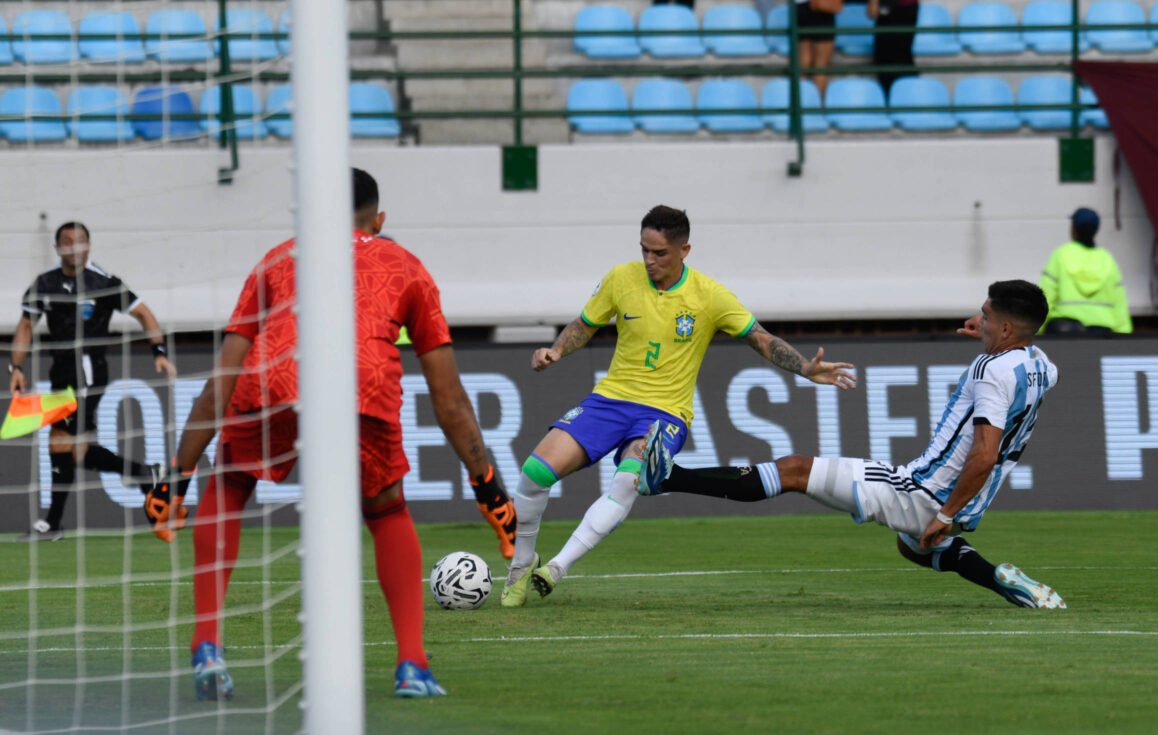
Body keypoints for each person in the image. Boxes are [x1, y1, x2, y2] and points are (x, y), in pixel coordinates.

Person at [143, 168, 517, 700]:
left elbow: (220, 382)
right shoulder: (407, 265)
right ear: (379, 219)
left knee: (228, 484)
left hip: (275, 375)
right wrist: (488, 488)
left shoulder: (275, 260)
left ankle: (207, 645)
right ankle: (412, 664)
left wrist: (176, 477)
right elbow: (449, 396)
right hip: (360, 381)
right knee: (386, 510)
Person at [500, 205, 856, 608]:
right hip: (610, 400)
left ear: (684, 250)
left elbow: (759, 338)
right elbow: (585, 324)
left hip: (664, 414)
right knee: (533, 474)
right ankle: (522, 565)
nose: (649, 261)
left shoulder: (709, 295)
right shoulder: (621, 278)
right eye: (644, 251)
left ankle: (558, 568)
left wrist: (805, 368)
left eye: (659, 253)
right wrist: (556, 350)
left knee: (627, 480)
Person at [638, 279, 1067, 610]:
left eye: (986, 315)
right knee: (912, 545)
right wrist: (988, 334)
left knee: (795, 470)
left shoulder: (991, 371)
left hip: (923, 490)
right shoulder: (1042, 366)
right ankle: (1002, 581)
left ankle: (667, 477)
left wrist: (945, 511)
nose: (980, 318)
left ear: (1007, 327)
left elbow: (985, 453)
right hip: (974, 503)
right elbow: (1012, 371)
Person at [9, 222, 176, 542]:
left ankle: (53, 524)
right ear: (57, 248)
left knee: (59, 441)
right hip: (61, 373)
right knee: (74, 449)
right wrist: (15, 367)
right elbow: (26, 326)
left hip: (87, 373)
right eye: (67, 242)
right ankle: (145, 474)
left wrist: (159, 352)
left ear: (89, 246)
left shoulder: (104, 282)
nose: (74, 247)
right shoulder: (46, 283)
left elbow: (144, 314)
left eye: (80, 241)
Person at [1039, 207, 1132, 336]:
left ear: (1073, 229)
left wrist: (1037, 331)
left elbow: (1046, 296)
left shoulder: (1061, 255)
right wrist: (1124, 333)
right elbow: (1119, 302)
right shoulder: (1107, 259)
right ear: (1096, 231)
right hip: (1102, 331)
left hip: (1064, 330)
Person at [868, 0, 919, 95]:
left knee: (893, 57)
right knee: (896, 57)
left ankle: (906, 98)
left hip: (899, 8)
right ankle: (907, 97)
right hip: (899, 8)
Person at [797, 0, 842, 98]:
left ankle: (802, 103)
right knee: (820, 66)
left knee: (803, 63)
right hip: (820, 10)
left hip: (801, 8)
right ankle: (817, 106)